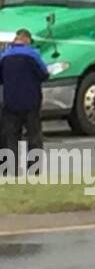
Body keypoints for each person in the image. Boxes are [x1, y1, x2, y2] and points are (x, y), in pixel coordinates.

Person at [0, 29, 49, 168]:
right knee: (34, 136)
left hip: (10, 103)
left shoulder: (4, 56)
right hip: (31, 102)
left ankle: (10, 169)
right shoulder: (33, 54)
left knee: (11, 137)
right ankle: (34, 169)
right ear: (26, 39)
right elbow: (44, 74)